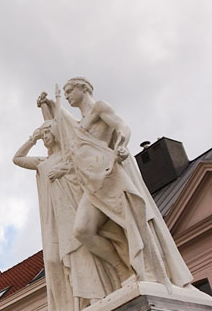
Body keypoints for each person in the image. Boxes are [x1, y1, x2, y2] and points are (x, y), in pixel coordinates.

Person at [37, 79, 193, 296]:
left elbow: (122, 126)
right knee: (82, 231)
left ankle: (145, 270)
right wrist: (51, 105)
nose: (68, 95)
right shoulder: (80, 123)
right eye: (65, 92)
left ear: (84, 88)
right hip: (93, 184)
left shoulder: (100, 107)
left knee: (130, 224)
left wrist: (121, 144)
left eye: (70, 90)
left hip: (111, 178)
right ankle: (123, 271)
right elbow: (67, 126)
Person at [14, 118, 121, 311]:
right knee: (55, 259)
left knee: (79, 251)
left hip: (72, 208)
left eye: (47, 133)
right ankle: (67, 307)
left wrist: (65, 170)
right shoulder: (42, 162)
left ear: (56, 133)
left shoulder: (69, 156)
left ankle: (94, 297)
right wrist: (32, 138)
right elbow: (17, 158)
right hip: (53, 217)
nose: (45, 137)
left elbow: (86, 173)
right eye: (43, 134)